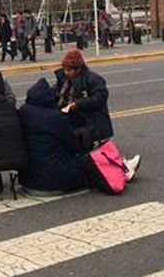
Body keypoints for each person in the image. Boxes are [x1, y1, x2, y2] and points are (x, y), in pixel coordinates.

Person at [53, 48, 140, 179]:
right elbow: (55, 93)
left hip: (90, 120)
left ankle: (124, 169)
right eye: (65, 69)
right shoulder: (64, 80)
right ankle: (124, 167)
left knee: (99, 153)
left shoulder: (93, 79)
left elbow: (100, 97)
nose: (66, 73)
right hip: (71, 118)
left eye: (69, 70)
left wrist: (77, 104)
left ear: (78, 69)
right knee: (95, 154)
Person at [18, 78, 85, 195]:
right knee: (84, 162)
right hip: (56, 182)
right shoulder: (56, 117)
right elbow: (74, 144)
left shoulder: (23, 112)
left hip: (27, 181)